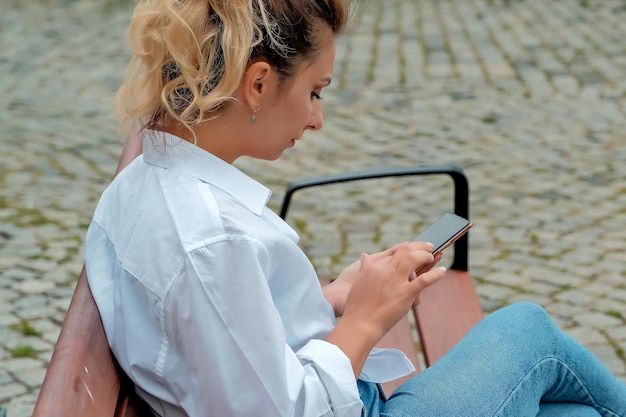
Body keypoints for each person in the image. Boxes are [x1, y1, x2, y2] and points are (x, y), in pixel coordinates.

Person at [84, 0, 626, 416]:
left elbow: (215, 333)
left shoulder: (145, 182)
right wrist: (367, 318)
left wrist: (332, 298)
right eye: (316, 92)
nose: (317, 119)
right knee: (529, 331)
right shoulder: (212, 239)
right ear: (257, 83)